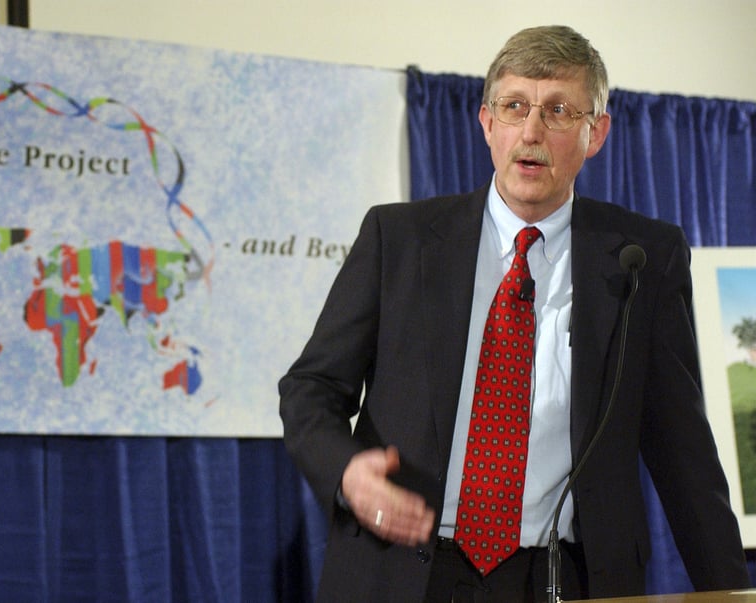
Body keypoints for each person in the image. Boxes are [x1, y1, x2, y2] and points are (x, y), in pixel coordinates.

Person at [279, 25, 750, 602]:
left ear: (594, 133)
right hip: (401, 573)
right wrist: (348, 473)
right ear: (487, 123)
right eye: (514, 107)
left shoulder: (641, 259)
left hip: (562, 579)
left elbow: (683, 450)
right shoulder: (399, 239)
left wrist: (729, 593)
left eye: (557, 111)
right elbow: (311, 388)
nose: (531, 131)